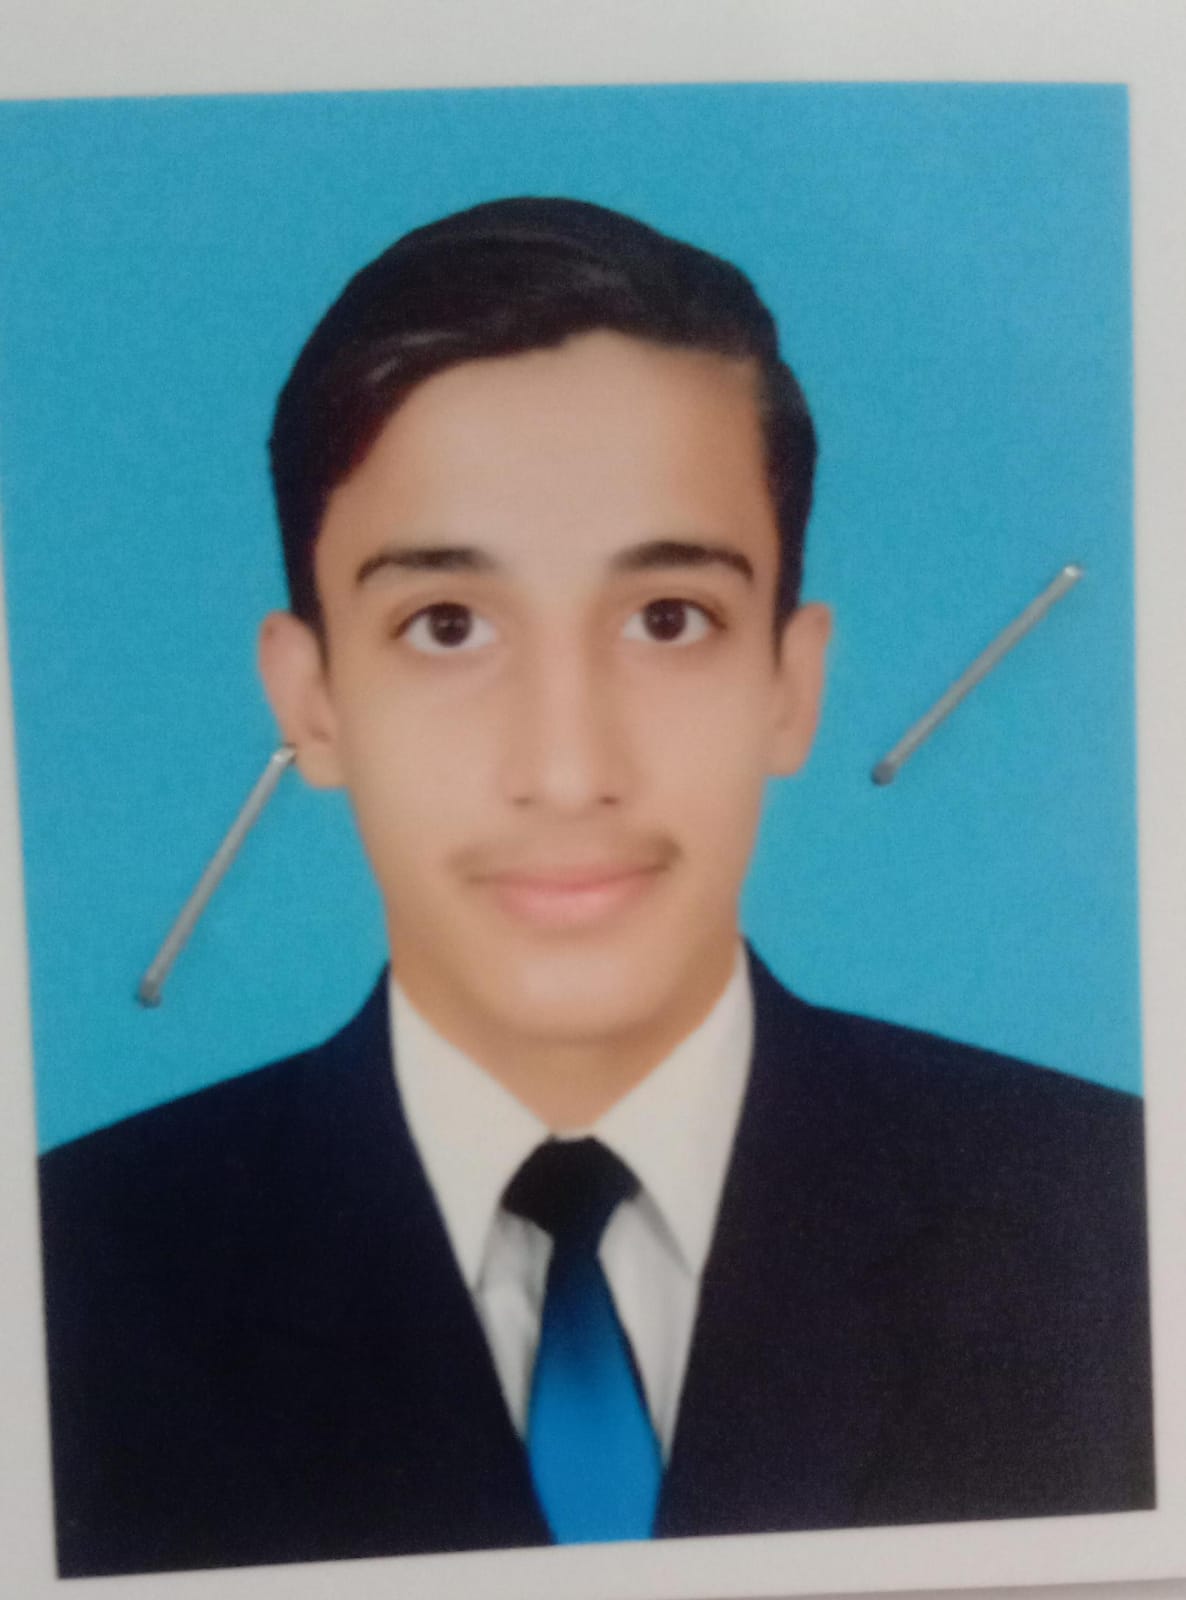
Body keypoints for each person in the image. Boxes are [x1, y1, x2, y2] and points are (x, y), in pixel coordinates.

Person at [38, 198, 1153, 1579]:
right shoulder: (64, 1277)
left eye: (667, 619)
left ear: (791, 684)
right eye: (446, 625)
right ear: (312, 700)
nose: (567, 771)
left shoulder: (1114, 1221)